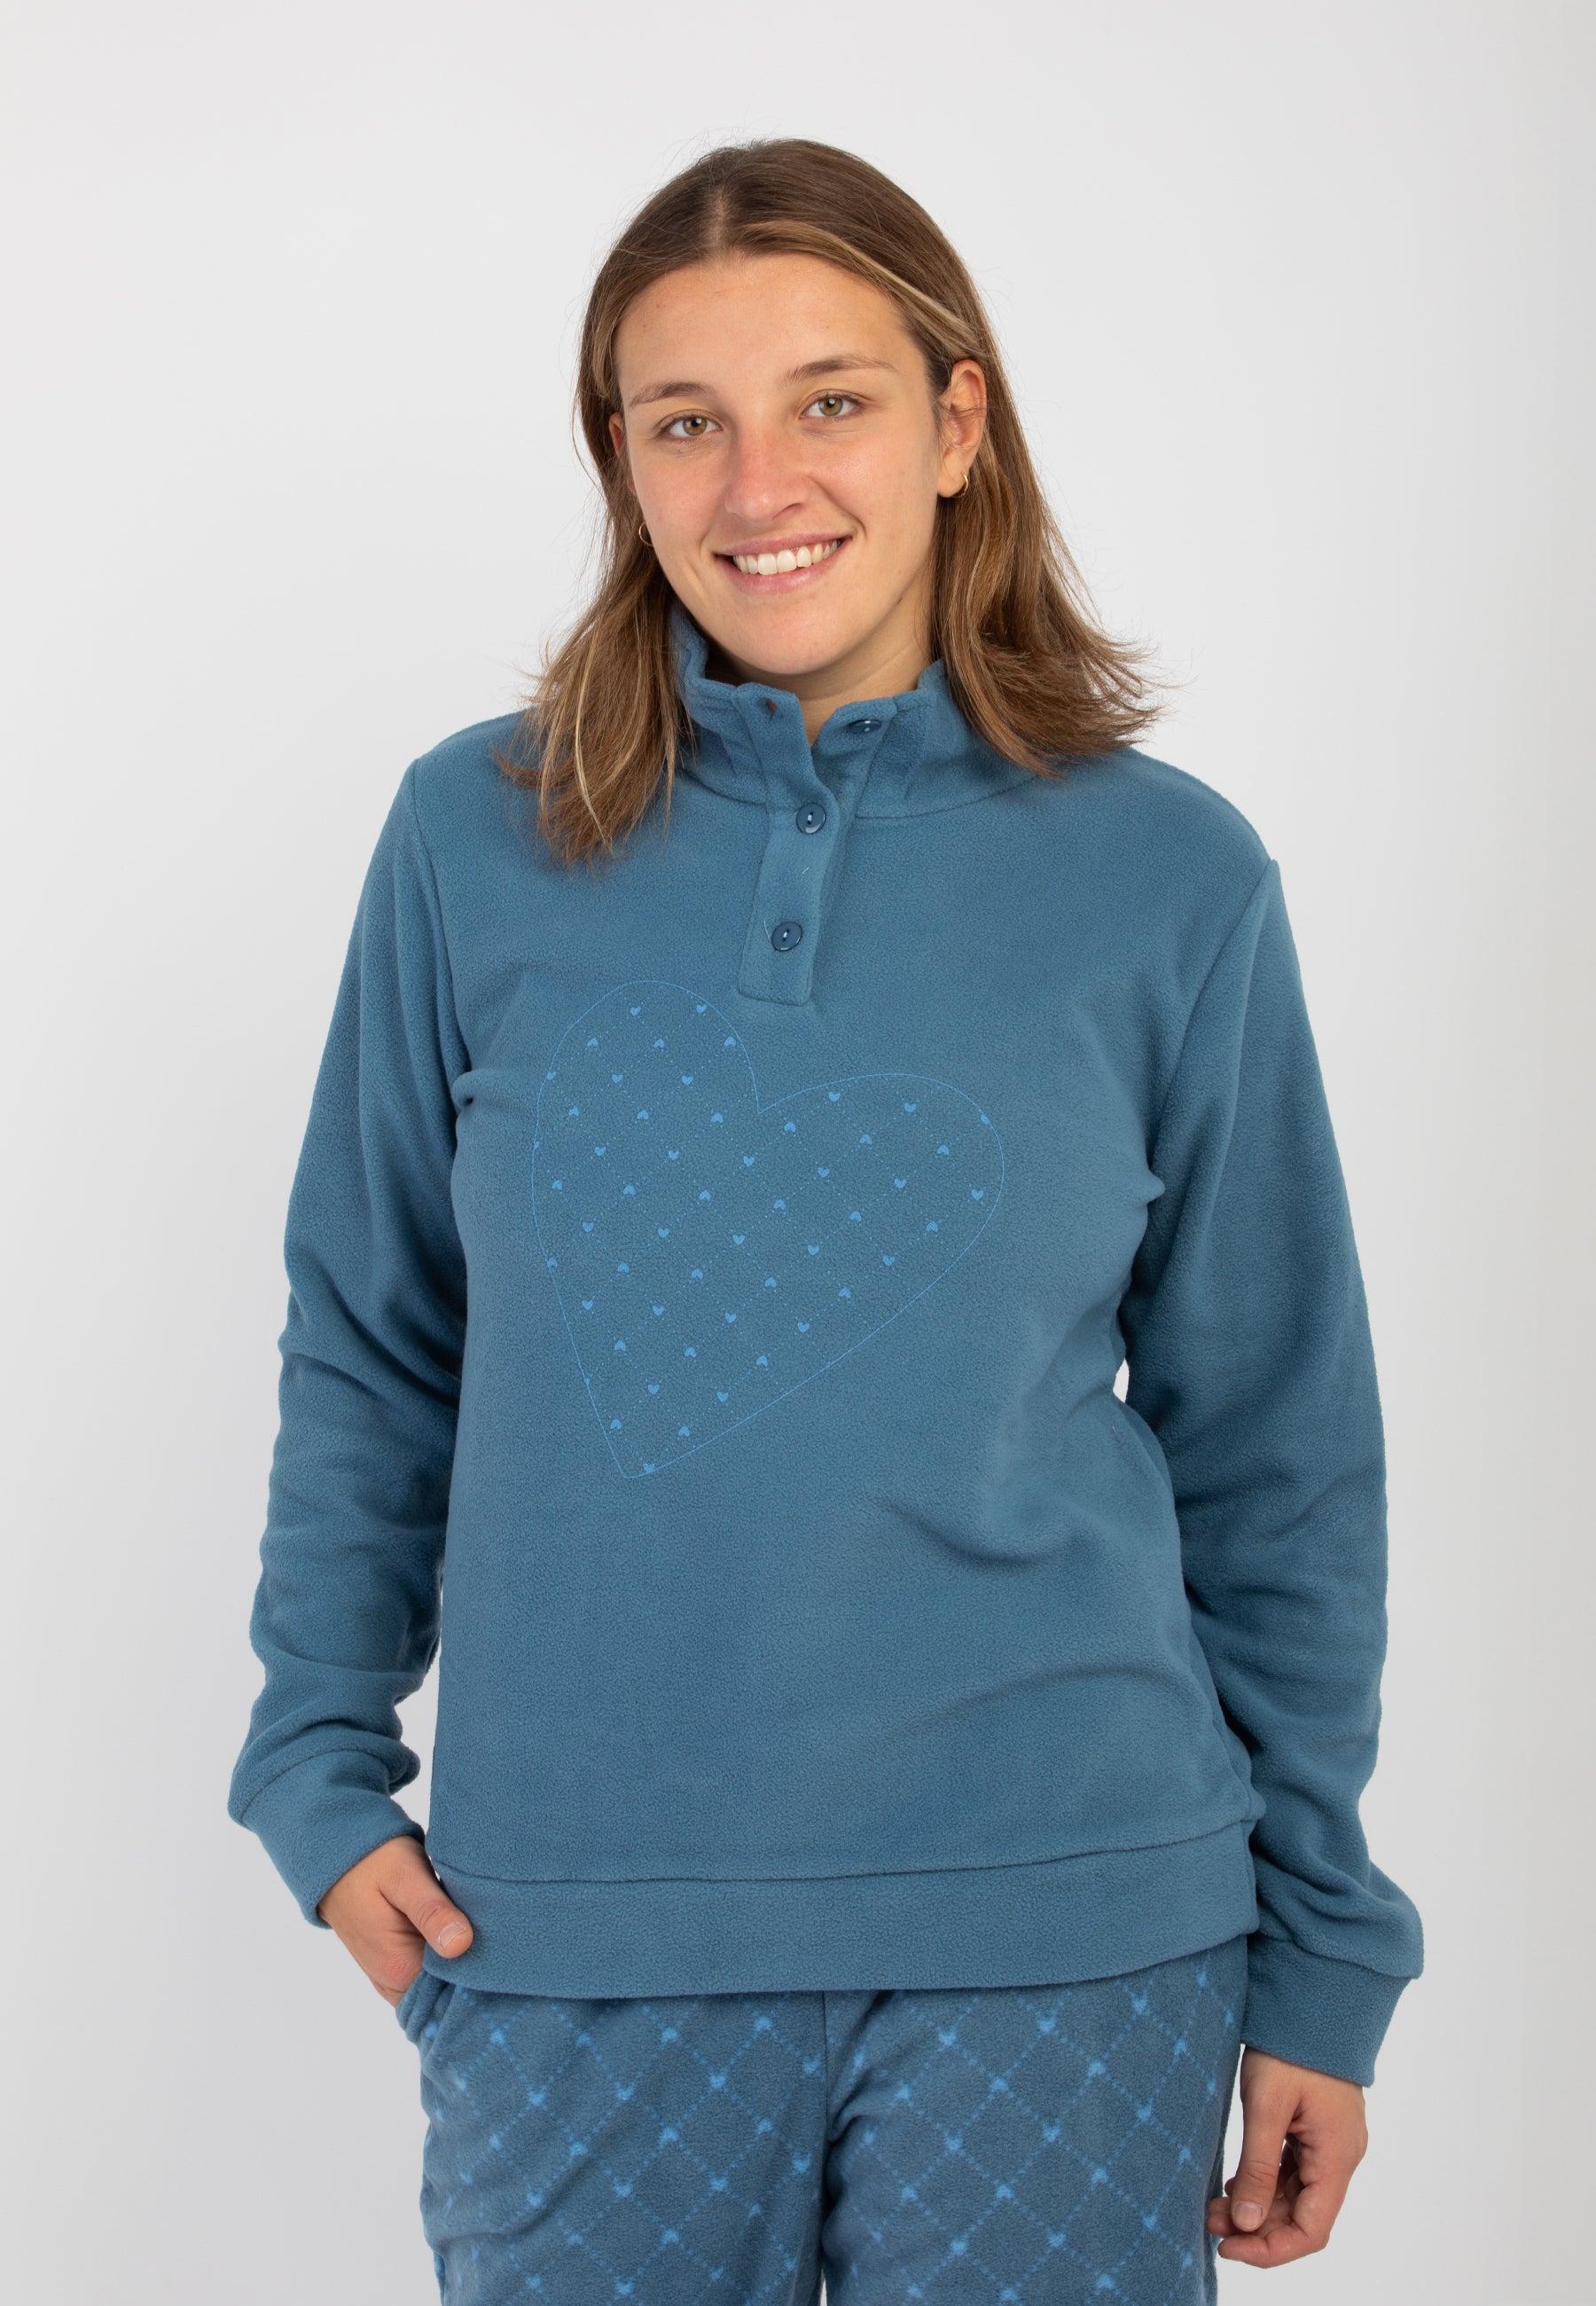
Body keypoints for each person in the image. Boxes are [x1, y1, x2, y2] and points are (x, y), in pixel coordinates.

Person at [227, 137, 1424, 2303]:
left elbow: (1276, 1442)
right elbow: (378, 1335)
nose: (757, 481)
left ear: (958, 424)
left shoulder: (1170, 876)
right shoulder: (471, 838)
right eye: (684, 419)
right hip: (574, 1933)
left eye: (832, 401)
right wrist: (317, 1762)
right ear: (622, 458)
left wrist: (1324, 1946)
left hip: (1070, 1926)